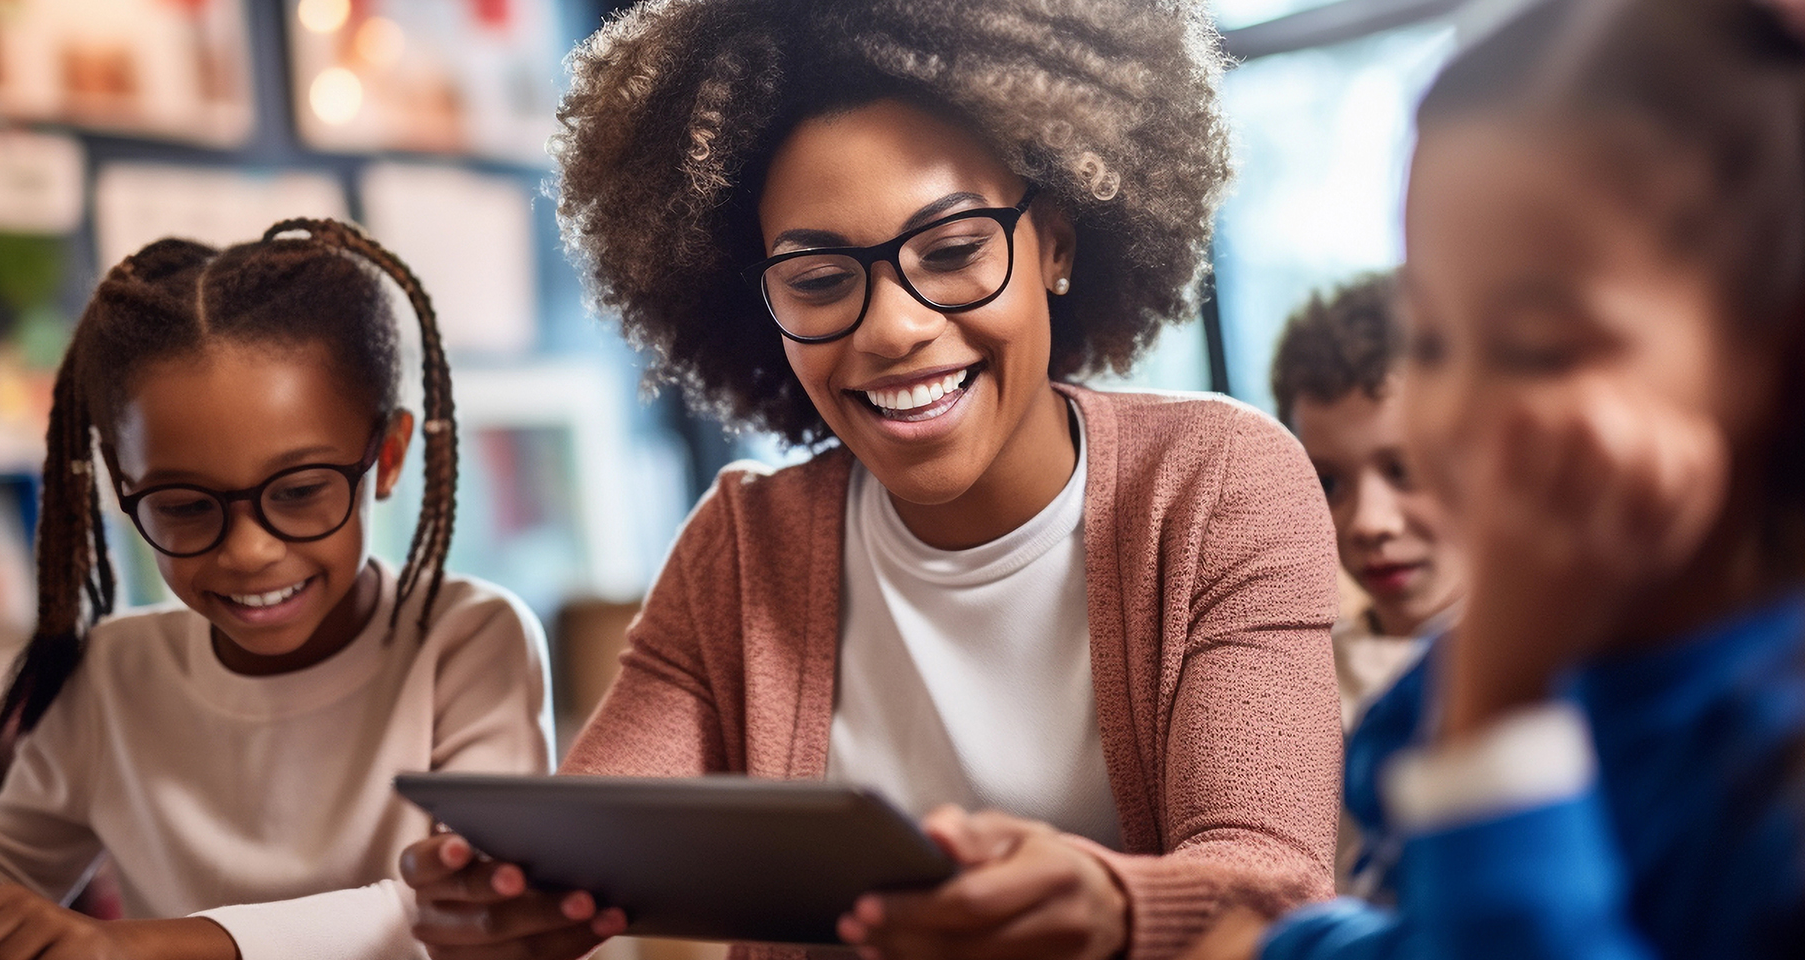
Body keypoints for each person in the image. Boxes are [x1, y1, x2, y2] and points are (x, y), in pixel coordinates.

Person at [401, 2, 1344, 960]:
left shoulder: (1217, 484)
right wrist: (512, 900)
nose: (891, 329)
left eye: (954, 251)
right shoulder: (741, 548)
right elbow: (593, 843)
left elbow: (1276, 879)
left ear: (1054, 244)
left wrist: (1113, 904)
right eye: (818, 279)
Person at [1188, 0, 1805, 957]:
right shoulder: (1467, 668)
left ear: (1778, 358)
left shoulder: (1761, 769)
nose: (1454, 413)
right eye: (1431, 342)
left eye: (1539, 351)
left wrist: (1500, 715)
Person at [0, 221, 555, 960]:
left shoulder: (470, 640)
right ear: (123, 482)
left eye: (300, 490)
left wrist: (134, 946)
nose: (248, 552)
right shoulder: (114, 674)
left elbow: (467, 908)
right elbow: (1, 862)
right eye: (183, 506)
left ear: (387, 456)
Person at [1270, 272, 1466, 889]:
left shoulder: (1558, 662)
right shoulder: (1298, 674)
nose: (1369, 523)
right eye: (1328, 484)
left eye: (1404, 469)